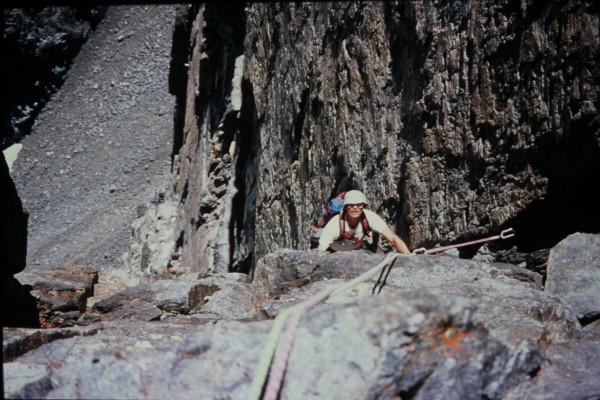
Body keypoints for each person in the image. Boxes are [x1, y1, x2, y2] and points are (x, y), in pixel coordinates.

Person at [317, 190, 411, 253]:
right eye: (351, 205)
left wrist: (408, 256)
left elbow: (393, 238)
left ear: (363, 206)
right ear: (345, 207)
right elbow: (320, 251)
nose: (355, 208)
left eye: (358, 205)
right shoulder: (334, 224)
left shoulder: (369, 217)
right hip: (334, 252)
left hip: (355, 252)